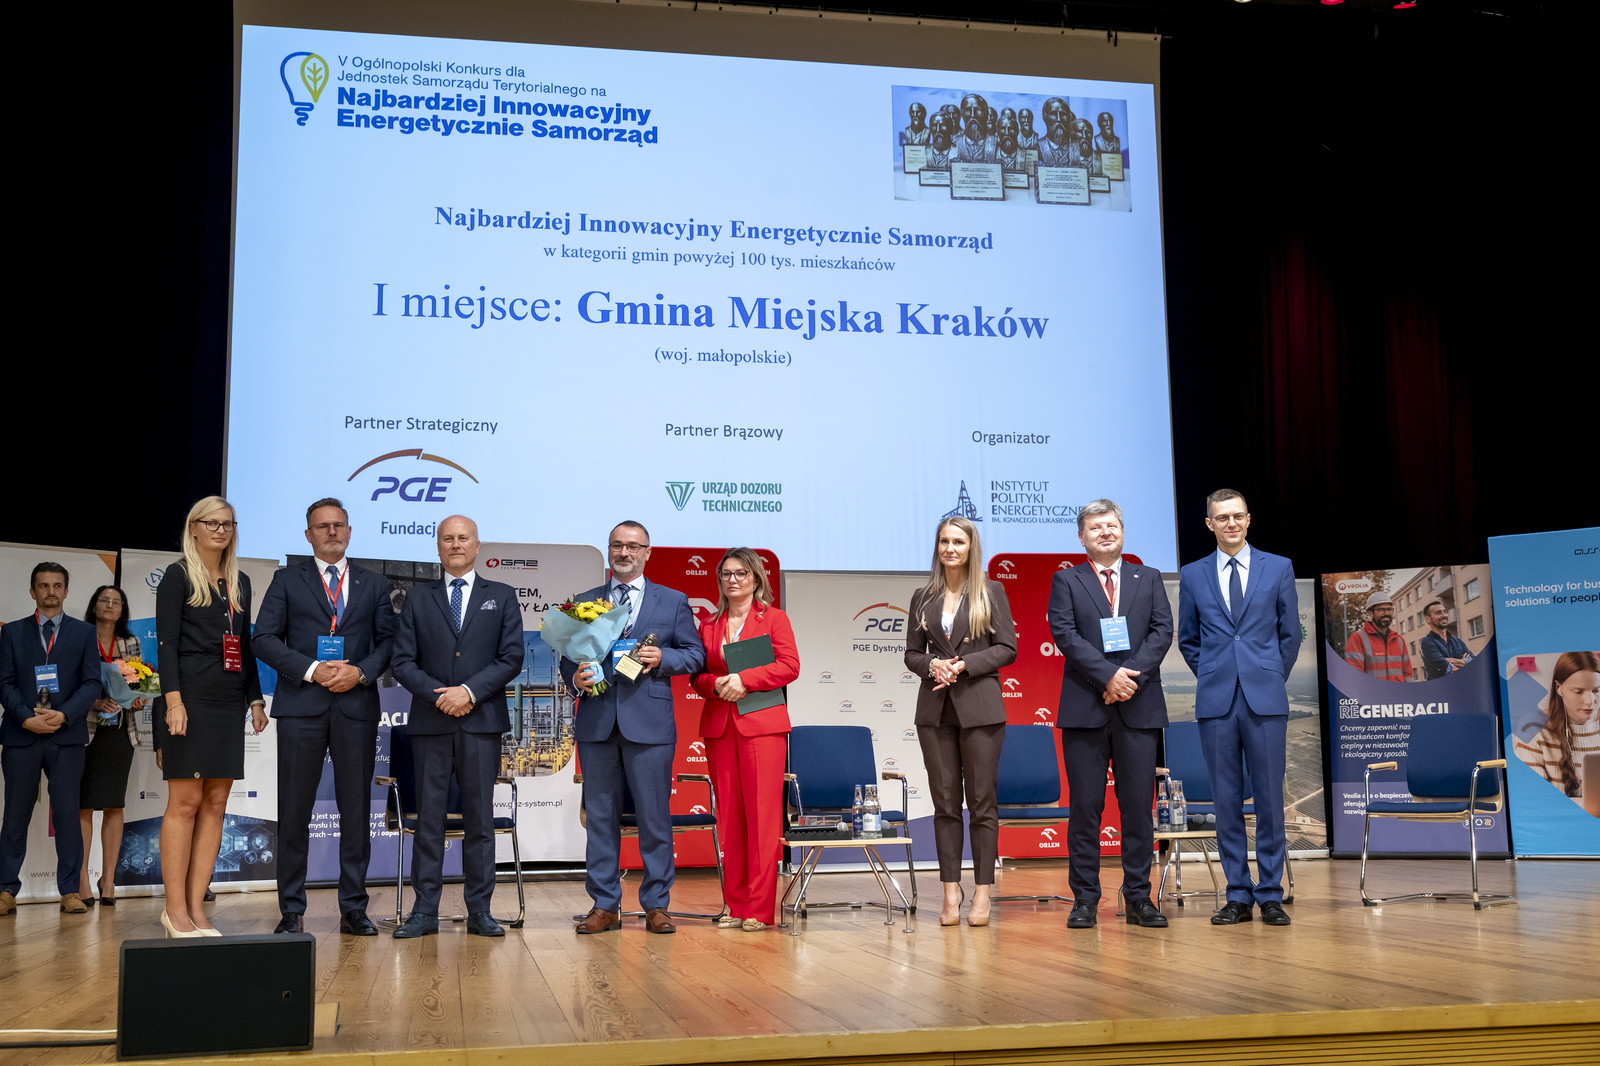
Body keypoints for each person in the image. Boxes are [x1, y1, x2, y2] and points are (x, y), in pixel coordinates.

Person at [253, 498, 395, 936]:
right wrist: (312, 669)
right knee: (295, 809)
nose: (332, 532)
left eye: (338, 525)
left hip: (356, 706)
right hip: (302, 705)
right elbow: (263, 638)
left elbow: (389, 643)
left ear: (349, 531)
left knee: (356, 809)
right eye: (322, 526)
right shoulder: (286, 580)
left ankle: (354, 908)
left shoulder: (374, 583)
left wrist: (361, 672)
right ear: (308, 535)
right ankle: (291, 910)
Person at [561, 521, 705, 935]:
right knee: (599, 818)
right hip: (597, 722)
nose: (624, 553)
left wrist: (664, 659)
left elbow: (695, 654)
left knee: (654, 818)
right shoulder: (585, 602)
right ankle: (604, 905)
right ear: (609, 550)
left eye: (633, 546)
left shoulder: (673, 601)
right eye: (617, 545)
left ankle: (657, 904)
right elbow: (568, 657)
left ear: (647, 552)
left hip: (650, 725)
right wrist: (575, 677)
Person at [390, 515, 524, 939]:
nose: (455, 544)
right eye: (447, 538)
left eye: (463, 538)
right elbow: (402, 661)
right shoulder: (418, 598)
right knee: (429, 820)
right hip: (431, 722)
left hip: (480, 721)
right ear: (438, 547)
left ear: (477, 545)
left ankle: (480, 910)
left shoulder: (501, 595)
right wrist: (440, 696)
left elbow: (511, 657)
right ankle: (424, 911)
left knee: (480, 821)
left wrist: (468, 692)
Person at [1177, 489, 1301, 928]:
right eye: (1221, 518)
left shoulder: (1279, 567)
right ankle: (1237, 894)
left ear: (1248, 520)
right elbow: (1188, 639)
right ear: (1209, 524)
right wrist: (1215, 673)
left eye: (1237, 516)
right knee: (1226, 802)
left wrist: (1268, 674)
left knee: (1269, 799)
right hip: (1216, 702)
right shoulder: (1192, 574)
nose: (1230, 523)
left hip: (1265, 699)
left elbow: (1291, 634)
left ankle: (1270, 894)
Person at [1047, 500, 1173, 930]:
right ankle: (1085, 899)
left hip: (1139, 705)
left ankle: (1139, 898)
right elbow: (1065, 634)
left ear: (1122, 531)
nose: (1105, 532)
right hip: (1086, 708)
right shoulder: (1067, 580)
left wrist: (1128, 677)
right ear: (1081, 537)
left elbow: (1162, 631)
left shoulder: (1148, 577)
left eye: (1112, 525)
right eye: (1096, 527)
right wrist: (1108, 676)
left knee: (1137, 809)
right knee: (1086, 808)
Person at [155, 497, 268, 937]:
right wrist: (174, 702)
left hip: (228, 699)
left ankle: (196, 908)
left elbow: (245, 645)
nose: (221, 530)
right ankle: (174, 910)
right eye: (212, 523)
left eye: (228, 524)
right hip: (190, 697)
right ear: (194, 527)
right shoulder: (178, 575)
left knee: (217, 805)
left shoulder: (240, 581)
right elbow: (166, 644)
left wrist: (255, 700)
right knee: (185, 803)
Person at [903, 516, 1017, 928]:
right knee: (945, 805)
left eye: (958, 542)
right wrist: (933, 664)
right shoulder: (922, 596)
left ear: (971, 548)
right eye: (943, 542)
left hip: (980, 710)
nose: (950, 549)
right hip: (935, 712)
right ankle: (951, 892)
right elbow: (911, 653)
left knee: (982, 804)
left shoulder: (991, 591)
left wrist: (964, 664)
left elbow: (1007, 648)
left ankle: (983, 891)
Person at [690, 548, 800, 931]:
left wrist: (745, 680)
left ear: (756, 578)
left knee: (762, 819)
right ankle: (735, 906)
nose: (733, 580)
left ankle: (758, 909)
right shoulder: (708, 624)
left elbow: (789, 666)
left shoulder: (774, 618)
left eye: (741, 573)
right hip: (720, 726)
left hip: (762, 727)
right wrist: (717, 684)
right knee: (731, 820)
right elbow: (696, 676)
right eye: (726, 574)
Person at [0, 563, 101, 917]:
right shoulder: (11, 632)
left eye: (57, 585)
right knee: (14, 816)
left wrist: (65, 715)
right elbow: (4, 683)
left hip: (66, 737)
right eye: (43, 586)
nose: (51, 592)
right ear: (32, 591)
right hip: (21, 735)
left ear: (66, 591)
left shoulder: (84, 633)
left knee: (68, 817)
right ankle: (5, 890)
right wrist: (26, 718)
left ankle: (70, 891)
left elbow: (91, 682)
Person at [78, 584, 145, 906]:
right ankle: (81, 879)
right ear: (94, 605)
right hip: (85, 732)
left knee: (114, 805)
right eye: (104, 600)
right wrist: (94, 702)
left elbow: (137, 682)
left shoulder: (130, 642)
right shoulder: (80, 637)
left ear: (122, 610)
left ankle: (108, 879)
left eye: (116, 601)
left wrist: (139, 699)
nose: (109, 605)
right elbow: (70, 683)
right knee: (84, 805)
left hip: (120, 731)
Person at [1513, 651, 1599, 800]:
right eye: (1578, 692)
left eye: (1596, 690)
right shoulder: (1532, 727)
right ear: (1558, 688)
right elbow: (1532, 796)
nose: (1589, 701)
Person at [1343, 591, 1411, 682]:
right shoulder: (1357, 639)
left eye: (1389, 609)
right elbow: (1354, 676)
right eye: (1381, 610)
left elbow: (1408, 674)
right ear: (1370, 614)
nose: (1386, 613)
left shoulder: (1399, 640)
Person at [1418, 601, 1470, 680]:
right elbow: (1444, 668)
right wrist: (1464, 662)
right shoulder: (1427, 642)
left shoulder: (1457, 641)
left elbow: (1474, 661)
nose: (1444, 615)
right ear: (1428, 619)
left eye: (1445, 612)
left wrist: (1450, 661)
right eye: (1438, 613)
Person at [956, 92, 996, 163]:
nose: (972, 115)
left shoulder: (996, 142)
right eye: (968, 110)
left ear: (986, 113)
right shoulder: (955, 143)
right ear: (962, 113)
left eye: (977, 110)